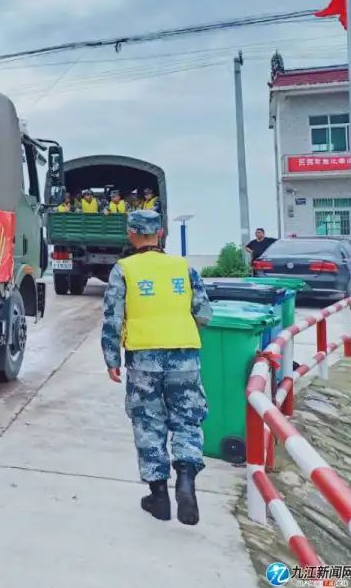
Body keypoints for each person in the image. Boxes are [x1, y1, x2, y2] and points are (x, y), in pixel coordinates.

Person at [102, 210, 211, 526]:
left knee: (149, 422)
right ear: (160, 233)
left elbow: (112, 318)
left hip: (144, 358)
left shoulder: (124, 269)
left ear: (131, 234)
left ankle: (159, 496)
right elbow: (204, 313)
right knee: (187, 419)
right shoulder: (184, 268)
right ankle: (187, 482)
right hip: (185, 356)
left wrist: (111, 358)